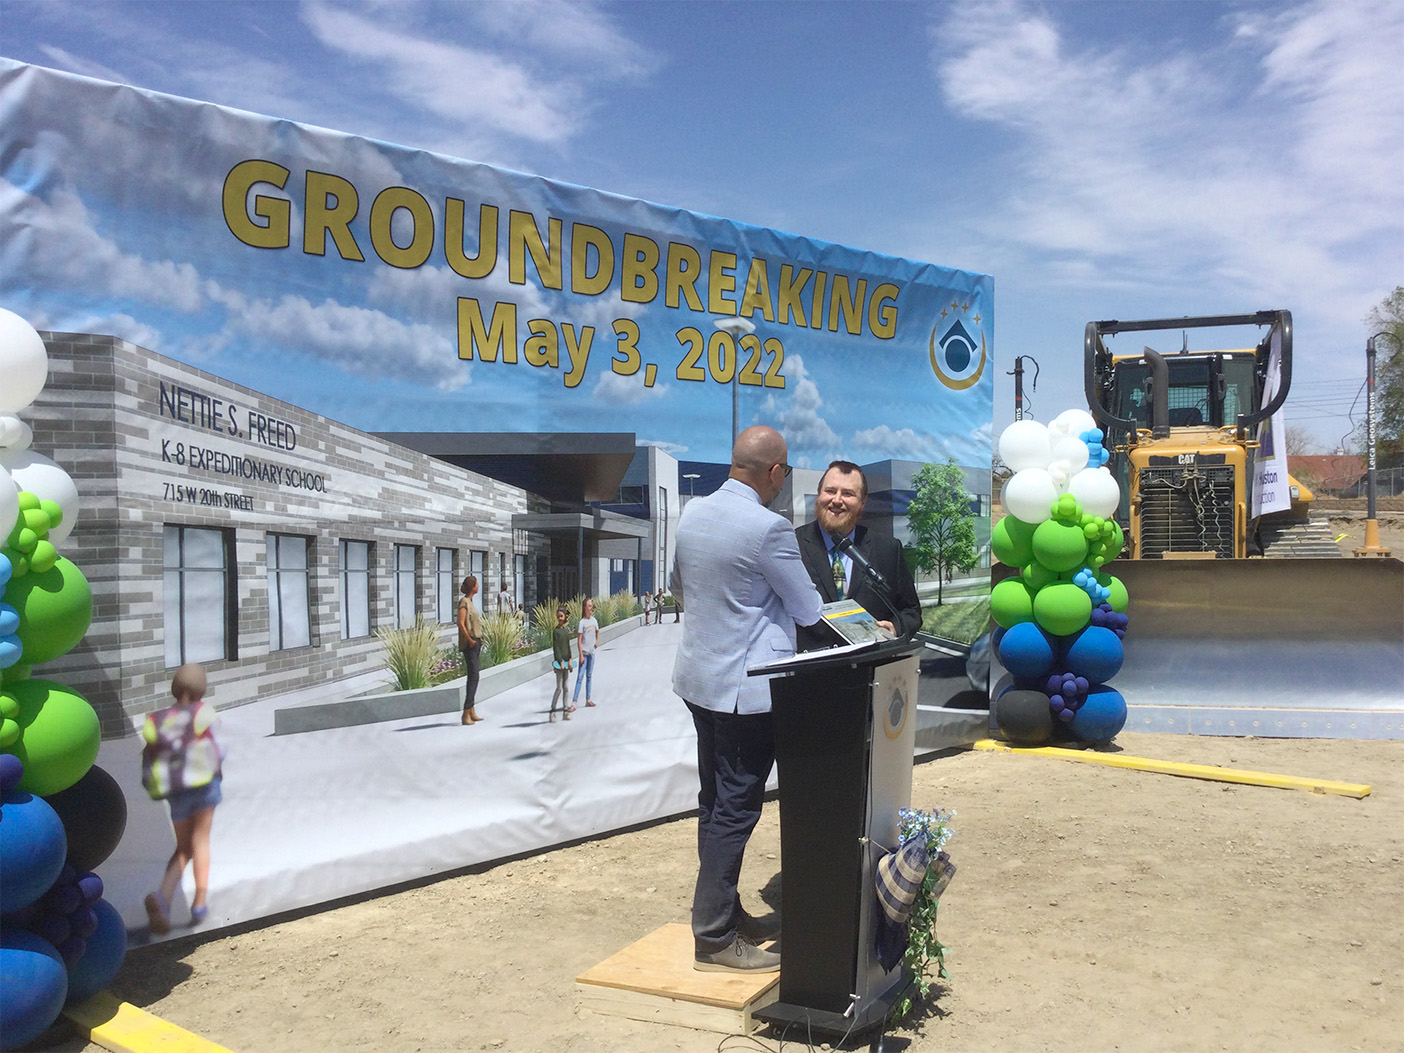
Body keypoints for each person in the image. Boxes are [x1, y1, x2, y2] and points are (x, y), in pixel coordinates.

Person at [670, 425, 824, 973]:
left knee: (714, 803)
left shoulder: (691, 514)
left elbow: (678, 588)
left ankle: (728, 914)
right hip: (745, 694)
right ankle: (713, 937)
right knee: (736, 808)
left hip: (698, 682)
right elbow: (808, 609)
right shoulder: (769, 528)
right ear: (774, 473)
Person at [795, 459, 923, 652]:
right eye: (830, 491)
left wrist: (895, 627)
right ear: (819, 495)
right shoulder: (792, 545)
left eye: (848, 493)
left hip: (871, 672)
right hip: (808, 674)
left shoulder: (887, 549)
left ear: (862, 503)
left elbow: (911, 611)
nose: (837, 500)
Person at [141, 663, 224, 934]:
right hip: (204, 785)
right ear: (202, 689)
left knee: (183, 847)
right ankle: (199, 903)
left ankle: (163, 897)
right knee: (200, 841)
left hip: (175, 790)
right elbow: (218, 748)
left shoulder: (156, 719)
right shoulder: (204, 712)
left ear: (174, 689)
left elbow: (150, 751)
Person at [458, 575, 484, 725]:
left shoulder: (470, 602)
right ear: (472, 586)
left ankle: (471, 709)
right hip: (471, 644)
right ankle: (466, 713)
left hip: (476, 642)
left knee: (475, 676)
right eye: (477, 584)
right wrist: (470, 640)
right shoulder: (464, 602)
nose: (478, 586)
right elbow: (460, 624)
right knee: (473, 676)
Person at [549, 605, 575, 722]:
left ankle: (565, 710)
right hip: (559, 664)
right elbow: (556, 648)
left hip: (566, 662)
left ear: (565, 617)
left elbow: (567, 647)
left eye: (561, 616)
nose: (559, 618)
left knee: (566, 687)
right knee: (559, 688)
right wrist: (560, 661)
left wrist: (570, 659)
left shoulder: (565, 631)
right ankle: (552, 710)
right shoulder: (556, 632)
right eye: (558, 616)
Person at [573, 596, 600, 708]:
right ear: (585, 608)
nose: (591, 607)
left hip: (592, 653)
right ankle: (574, 701)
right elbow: (579, 640)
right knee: (580, 676)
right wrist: (580, 655)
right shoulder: (582, 623)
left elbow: (597, 632)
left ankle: (588, 699)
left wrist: (597, 641)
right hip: (584, 654)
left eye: (591, 605)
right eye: (589, 605)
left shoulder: (594, 620)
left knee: (589, 676)